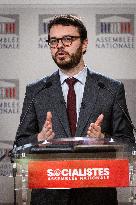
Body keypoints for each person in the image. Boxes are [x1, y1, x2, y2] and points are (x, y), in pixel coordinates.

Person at [15, 15, 134, 205]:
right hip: (49, 198)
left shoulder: (111, 89)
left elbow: (128, 143)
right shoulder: (36, 91)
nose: (59, 46)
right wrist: (39, 138)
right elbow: (19, 144)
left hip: (95, 197)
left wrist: (103, 139)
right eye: (53, 41)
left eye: (67, 39)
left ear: (84, 44)